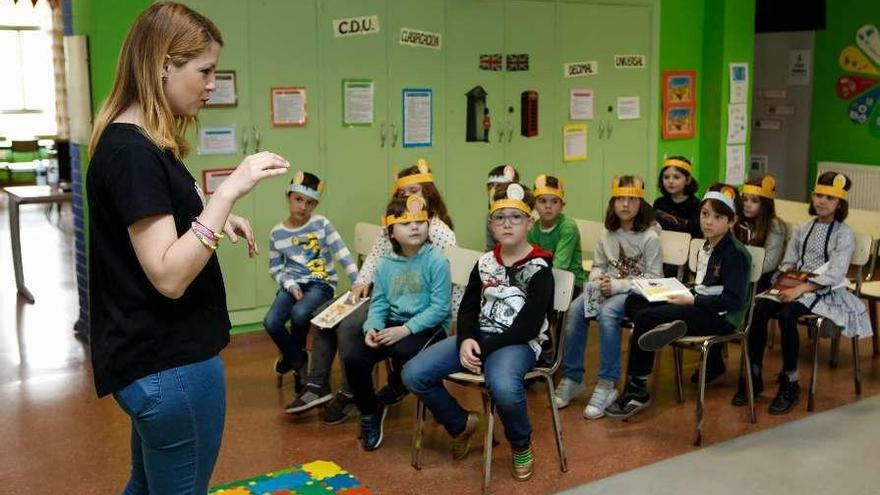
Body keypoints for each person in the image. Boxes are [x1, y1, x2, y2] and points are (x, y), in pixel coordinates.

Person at [86, 3, 289, 492]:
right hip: (170, 365)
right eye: (205, 70)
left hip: (147, 362)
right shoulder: (134, 153)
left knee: (145, 484)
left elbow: (160, 223)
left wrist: (215, 215)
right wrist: (228, 192)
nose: (212, 84)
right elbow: (169, 275)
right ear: (163, 65)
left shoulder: (132, 142)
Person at [402, 183, 554, 482]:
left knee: (504, 387)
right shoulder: (484, 262)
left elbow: (529, 326)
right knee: (413, 373)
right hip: (479, 338)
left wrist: (483, 347)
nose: (507, 224)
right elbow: (469, 307)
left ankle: (521, 444)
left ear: (529, 222)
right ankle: (461, 423)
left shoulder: (540, 268)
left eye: (516, 217)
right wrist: (467, 338)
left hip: (518, 343)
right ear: (491, 223)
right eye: (500, 218)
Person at [303, 159, 457, 424]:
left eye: (415, 192)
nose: (408, 198)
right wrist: (361, 280)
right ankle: (317, 385)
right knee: (321, 317)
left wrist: (449, 320)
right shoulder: (394, 224)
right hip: (383, 290)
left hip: (416, 305)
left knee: (350, 327)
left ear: (428, 195)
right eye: (402, 194)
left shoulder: (439, 234)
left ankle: (349, 392)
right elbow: (376, 256)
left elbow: (445, 289)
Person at [605, 184, 750, 419]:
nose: (709, 221)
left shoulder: (734, 253)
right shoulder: (707, 244)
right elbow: (704, 285)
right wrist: (678, 293)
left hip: (720, 318)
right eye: (705, 214)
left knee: (645, 317)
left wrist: (692, 301)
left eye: (718, 216)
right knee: (634, 301)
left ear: (731, 221)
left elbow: (732, 301)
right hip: (697, 302)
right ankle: (669, 328)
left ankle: (637, 390)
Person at [735, 172, 873, 414]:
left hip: (823, 289)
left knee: (789, 316)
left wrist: (801, 288)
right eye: (819, 195)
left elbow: (837, 273)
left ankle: (791, 381)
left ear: (839, 203)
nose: (822, 201)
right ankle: (753, 374)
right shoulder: (803, 228)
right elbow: (788, 260)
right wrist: (784, 282)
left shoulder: (844, 234)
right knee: (758, 309)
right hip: (793, 284)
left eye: (829, 198)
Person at [344, 195, 451, 450]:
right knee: (354, 358)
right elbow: (379, 303)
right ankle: (370, 412)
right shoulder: (385, 264)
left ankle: (398, 385)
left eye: (420, 222)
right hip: (395, 323)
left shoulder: (436, 260)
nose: (415, 227)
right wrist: (372, 327)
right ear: (391, 232)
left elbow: (440, 309)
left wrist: (405, 330)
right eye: (406, 223)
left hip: (429, 327)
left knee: (404, 350)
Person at [554, 176, 662, 419]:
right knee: (575, 309)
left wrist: (616, 285)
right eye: (620, 199)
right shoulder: (607, 233)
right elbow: (598, 265)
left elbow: (654, 278)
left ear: (640, 202)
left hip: (632, 292)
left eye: (631, 199)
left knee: (608, 313)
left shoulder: (649, 237)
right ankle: (573, 378)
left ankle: (607, 384)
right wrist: (596, 278)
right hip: (606, 286)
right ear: (613, 202)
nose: (625, 204)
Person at [262, 171, 359, 414]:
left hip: (320, 283)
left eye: (309, 203)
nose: (303, 207)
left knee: (300, 313)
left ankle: (295, 362)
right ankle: (297, 358)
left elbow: (342, 253)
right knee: (271, 322)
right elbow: (275, 268)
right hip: (291, 284)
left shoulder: (322, 224)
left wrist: (357, 281)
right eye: (298, 200)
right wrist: (290, 285)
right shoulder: (277, 233)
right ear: (288, 197)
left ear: (315, 204)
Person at [527, 174, 586, 290]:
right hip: (544, 280)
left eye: (554, 201)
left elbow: (560, 265)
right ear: (534, 204)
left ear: (562, 206)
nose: (548, 206)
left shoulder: (568, 226)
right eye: (542, 201)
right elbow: (530, 261)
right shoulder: (533, 229)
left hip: (571, 283)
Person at [736, 175, 786, 292]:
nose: (747, 204)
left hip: (762, 279)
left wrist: (738, 271)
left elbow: (769, 263)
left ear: (765, 204)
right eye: (745, 199)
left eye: (754, 201)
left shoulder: (775, 226)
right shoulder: (739, 221)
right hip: (739, 275)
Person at [653, 156, 702, 240]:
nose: (670, 181)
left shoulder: (696, 205)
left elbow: (694, 233)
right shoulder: (659, 203)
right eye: (666, 177)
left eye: (676, 177)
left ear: (688, 180)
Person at [485, 164, 518, 251]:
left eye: (498, 186)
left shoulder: (524, 216)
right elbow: (490, 249)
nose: (492, 191)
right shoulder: (490, 216)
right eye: (490, 186)